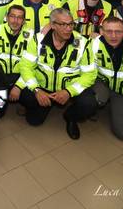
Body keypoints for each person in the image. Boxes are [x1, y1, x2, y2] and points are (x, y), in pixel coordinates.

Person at [17, 8, 97, 140]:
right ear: (53, 25)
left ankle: (70, 117)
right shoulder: (38, 40)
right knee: (32, 116)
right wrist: (37, 90)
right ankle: (45, 104)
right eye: (63, 24)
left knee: (89, 103)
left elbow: (90, 75)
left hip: (68, 88)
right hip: (43, 87)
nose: (68, 29)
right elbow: (26, 66)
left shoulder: (83, 43)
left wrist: (68, 91)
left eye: (71, 24)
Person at [90, 17, 123, 140]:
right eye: (109, 31)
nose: (113, 36)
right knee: (89, 101)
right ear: (101, 31)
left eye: (118, 32)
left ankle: (114, 107)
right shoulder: (93, 44)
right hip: (101, 84)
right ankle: (97, 106)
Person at [0, 5, 32, 113]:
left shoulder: (31, 35)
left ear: (24, 21)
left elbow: (31, 66)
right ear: (6, 17)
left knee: (32, 101)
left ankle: (21, 101)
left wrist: (18, 87)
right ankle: (4, 97)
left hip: (20, 76)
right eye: (12, 16)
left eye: (20, 18)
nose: (15, 21)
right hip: (0, 76)